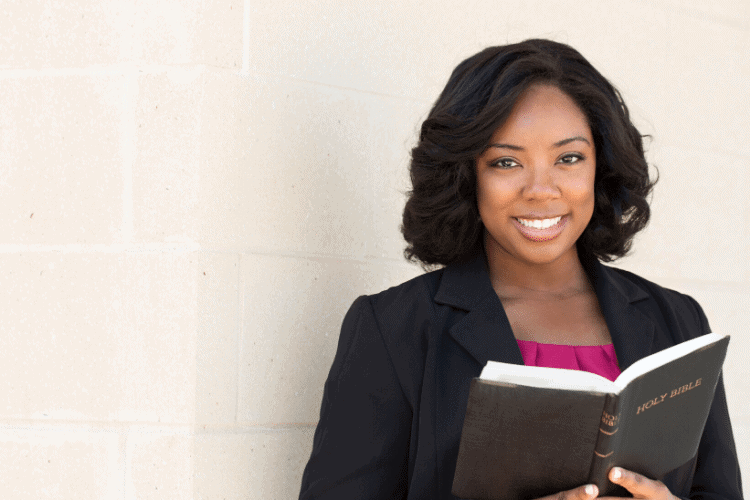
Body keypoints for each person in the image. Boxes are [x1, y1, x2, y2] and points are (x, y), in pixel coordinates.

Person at [298, 39, 743, 500]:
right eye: (506, 162)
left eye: (568, 158)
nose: (541, 190)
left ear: (600, 167)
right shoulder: (393, 330)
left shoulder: (678, 322)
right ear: (467, 174)